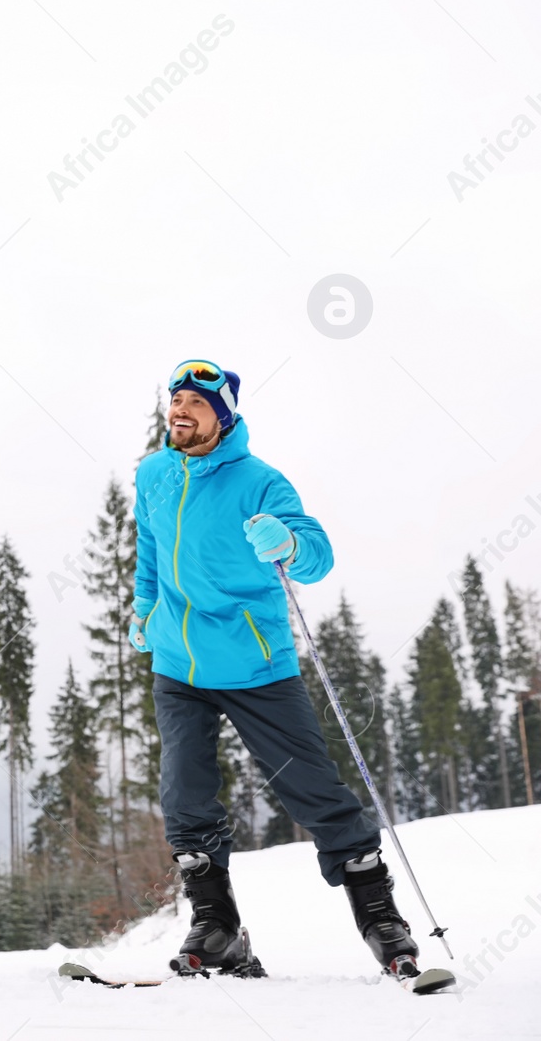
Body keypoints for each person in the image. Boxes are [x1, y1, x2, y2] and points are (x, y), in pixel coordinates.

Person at [130, 359, 420, 977]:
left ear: (223, 415)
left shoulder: (261, 482)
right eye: (175, 398)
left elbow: (316, 556)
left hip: (256, 666)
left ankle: (381, 919)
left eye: (196, 402)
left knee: (312, 788)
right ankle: (219, 928)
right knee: (185, 792)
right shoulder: (153, 473)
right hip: (178, 664)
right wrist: (145, 610)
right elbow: (149, 552)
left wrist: (288, 545)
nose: (180, 410)